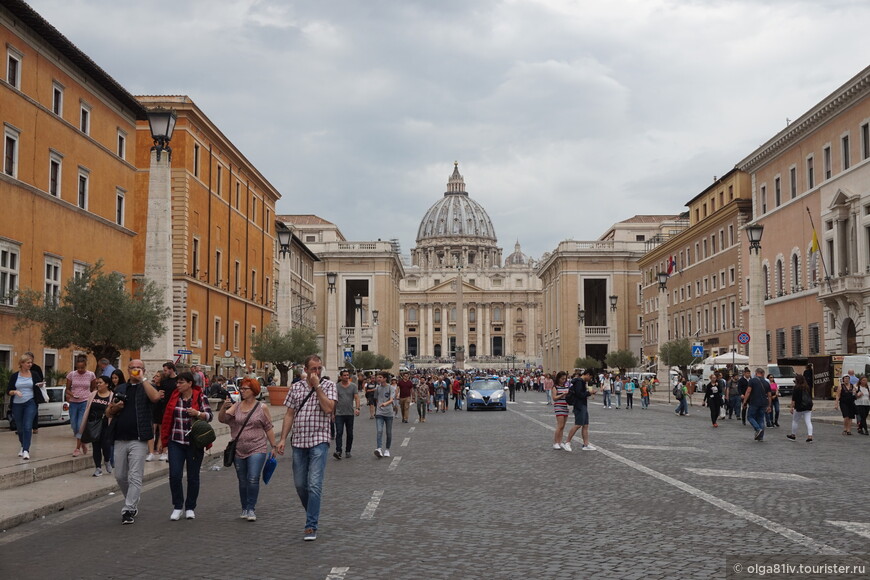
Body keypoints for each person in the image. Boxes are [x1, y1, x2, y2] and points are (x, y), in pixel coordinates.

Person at [275, 355, 337, 541]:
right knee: (300, 485)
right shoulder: (295, 387)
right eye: (313, 369)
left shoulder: (328, 386)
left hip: (319, 439)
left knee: (314, 483)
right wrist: (283, 438)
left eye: (319, 368)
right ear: (306, 369)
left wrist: (317, 386)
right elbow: (289, 414)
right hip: (299, 441)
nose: (316, 372)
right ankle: (312, 510)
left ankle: (311, 525)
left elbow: (328, 409)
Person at [105, 359, 163, 524]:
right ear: (128, 370)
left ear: (143, 370)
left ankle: (128, 509)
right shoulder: (121, 388)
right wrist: (114, 408)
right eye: (133, 368)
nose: (136, 370)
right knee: (120, 475)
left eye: (139, 368)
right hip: (120, 437)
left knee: (135, 475)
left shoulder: (147, 387)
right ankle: (131, 501)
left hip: (139, 438)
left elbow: (154, 398)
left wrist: (143, 379)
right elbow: (109, 412)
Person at [219, 377, 276, 521]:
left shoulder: (262, 407)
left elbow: (268, 428)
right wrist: (223, 408)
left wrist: (274, 446)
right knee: (242, 480)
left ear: (254, 391)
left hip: (257, 447)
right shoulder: (236, 406)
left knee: (252, 478)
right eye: (241, 388)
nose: (242, 391)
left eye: (245, 389)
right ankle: (244, 507)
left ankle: (251, 509)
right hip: (239, 449)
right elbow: (222, 419)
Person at [160, 371, 212, 520]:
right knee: (175, 475)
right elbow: (167, 418)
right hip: (176, 440)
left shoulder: (201, 396)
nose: (178, 385)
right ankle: (177, 506)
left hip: (194, 443)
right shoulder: (175, 397)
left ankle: (190, 507)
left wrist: (197, 413)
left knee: (193, 477)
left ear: (190, 383)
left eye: (181, 382)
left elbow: (209, 416)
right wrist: (163, 441)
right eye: (177, 382)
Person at [8, 354, 46, 460]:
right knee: (20, 428)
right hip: (17, 404)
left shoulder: (34, 374)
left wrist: (41, 385)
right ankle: (22, 445)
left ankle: (26, 450)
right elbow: (8, 391)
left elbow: (39, 385)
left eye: (31, 362)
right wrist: (15, 391)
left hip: (30, 402)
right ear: (21, 363)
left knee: (27, 426)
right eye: (28, 362)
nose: (30, 364)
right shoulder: (15, 376)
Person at [81, 375, 114, 476]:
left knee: (106, 446)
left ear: (107, 384)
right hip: (93, 424)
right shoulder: (93, 394)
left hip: (105, 425)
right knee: (96, 446)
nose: (98, 384)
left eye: (100, 383)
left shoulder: (112, 395)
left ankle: (107, 460)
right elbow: (88, 408)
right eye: (97, 383)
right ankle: (98, 468)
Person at [66, 355, 96, 457]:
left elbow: (93, 388)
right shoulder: (71, 375)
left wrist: (90, 398)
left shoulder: (91, 375)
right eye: (78, 368)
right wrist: (72, 395)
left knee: (80, 425)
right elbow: (67, 389)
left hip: (85, 401)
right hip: (74, 402)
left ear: (85, 366)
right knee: (74, 425)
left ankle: (77, 448)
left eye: (82, 368)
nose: (80, 370)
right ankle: (83, 442)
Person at [150, 362, 178, 462]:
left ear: (171, 369)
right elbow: (161, 393)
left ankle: (170, 451)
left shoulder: (178, 380)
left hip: (175, 407)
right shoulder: (164, 381)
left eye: (166, 370)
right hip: (164, 407)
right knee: (164, 430)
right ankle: (164, 451)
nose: (165, 372)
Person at [565, 370, 597, 451]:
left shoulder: (581, 381)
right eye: (590, 377)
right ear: (587, 374)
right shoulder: (579, 382)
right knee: (578, 424)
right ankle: (567, 442)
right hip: (579, 405)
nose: (590, 379)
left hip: (583, 404)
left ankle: (586, 444)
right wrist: (589, 393)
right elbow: (579, 394)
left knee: (585, 425)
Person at [332, 369, 359, 459]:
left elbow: (356, 398)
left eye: (347, 375)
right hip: (339, 413)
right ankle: (338, 451)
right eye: (344, 375)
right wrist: (333, 413)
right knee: (339, 432)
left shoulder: (353, 386)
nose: (346, 377)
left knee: (350, 433)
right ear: (340, 377)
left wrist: (357, 408)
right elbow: (334, 401)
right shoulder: (336, 387)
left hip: (349, 413)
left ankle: (348, 451)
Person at [743, 368, 772, 441]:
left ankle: (758, 429)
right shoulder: (766, 383)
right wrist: (769, 405)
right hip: (764, 403)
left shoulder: (752, 381)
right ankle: (760, 437)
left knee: (750, 417)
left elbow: (748, 391)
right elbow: (769, 395)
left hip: (754, 402)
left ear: (756, 373)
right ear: (763, 374)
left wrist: (744, 401)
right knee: (761, 419)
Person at [373, 371, 396, 458]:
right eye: (377, 377)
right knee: (379, 431)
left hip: (389, 413)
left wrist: (385, 404)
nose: (378, 379)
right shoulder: (378, 388)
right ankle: (379, 448)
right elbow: (376, 399)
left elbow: (391, 399)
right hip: (379, 413)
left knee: (388, 432)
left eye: (380, 377)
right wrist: (378, 407)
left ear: (385, 378)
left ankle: (387, 449)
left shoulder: (391, 388)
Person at [787, 374, 814, 442]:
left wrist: (791, 407)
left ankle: (793, 435)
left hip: (799, 407)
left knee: (795, 421)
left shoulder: (796, 388)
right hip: (808, 407)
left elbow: (793, 399)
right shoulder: (807, 387)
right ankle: (810, 436)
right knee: (808, 421)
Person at [551, 371, 571, 450]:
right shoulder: (555, 387)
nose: (563, 380)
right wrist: (562, 395)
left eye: (565, 379)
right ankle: (556, 442)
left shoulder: (566, 386)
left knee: (563, 426)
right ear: (558, 378)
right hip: (558, 406)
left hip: (565, 406)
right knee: (560, 425)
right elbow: (554, 398)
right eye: (562, 379)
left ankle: (560, 441)